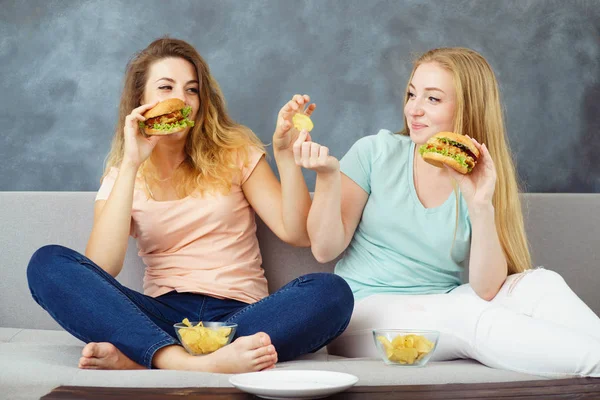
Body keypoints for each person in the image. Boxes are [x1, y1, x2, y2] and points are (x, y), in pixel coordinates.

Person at [26, 37, 353, 373]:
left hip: (241, 320)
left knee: (332, 293)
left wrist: (285, 156)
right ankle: (180, 360)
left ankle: (147, 359)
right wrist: (131, 163)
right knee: (47, 264)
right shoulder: (124, 175)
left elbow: (297, 233)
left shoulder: (235, 152)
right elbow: (101, 267)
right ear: (141, 100)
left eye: (192, 89)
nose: (181, 99)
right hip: (162, 319)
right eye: (166, 87)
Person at [294, 47, 600, 377]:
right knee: (464, 314)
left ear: (468, 108)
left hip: (443, 301)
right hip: (363, 312)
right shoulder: (375, 152)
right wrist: (327, 177)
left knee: (541, 283)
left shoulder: (478, 174)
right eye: (412, 94)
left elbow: (487, 289)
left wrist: (480, 205)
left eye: (433, 99)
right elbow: (325, 249)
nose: (413, 109)